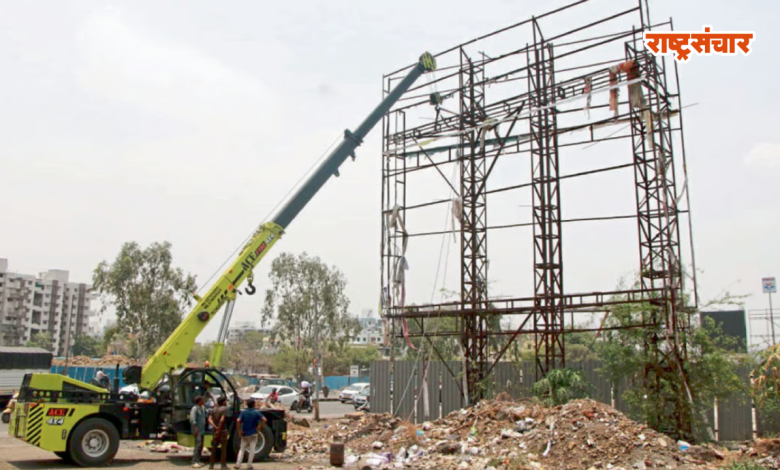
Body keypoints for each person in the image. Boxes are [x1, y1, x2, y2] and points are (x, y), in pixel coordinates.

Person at [234, 399, 266, 470]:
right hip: (254, 433)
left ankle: (238, 464)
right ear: (254, 404)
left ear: (247, 405)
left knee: (242, 449)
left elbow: (238, 421)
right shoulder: (256, 412)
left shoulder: (243, 412)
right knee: (252, 450)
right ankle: (249, 465)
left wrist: (239, 431)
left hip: (245, 433)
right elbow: (264, 419)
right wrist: (259, 427)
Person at [208, 396, 230, 470]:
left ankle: (211, 465)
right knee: (223, 449)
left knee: (214, 448)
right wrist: (219, 429)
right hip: (222, 431)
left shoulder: (213, 409)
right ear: (223, 402)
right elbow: (222, 420)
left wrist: (215, 427)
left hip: (214, 431)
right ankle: (223, 465)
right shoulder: (224, 409)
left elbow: (209, 420)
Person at [190, 396, 207, 468]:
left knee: (201, 445)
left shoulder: (203, 408)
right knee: (197, 445)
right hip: (197, 430)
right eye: (202, 400)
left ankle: (198, 460)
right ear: (199, 401)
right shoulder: (195, 408)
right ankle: (194, 461)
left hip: (202, 429)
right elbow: (192, 419)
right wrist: (195, 428)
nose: (203, 401)